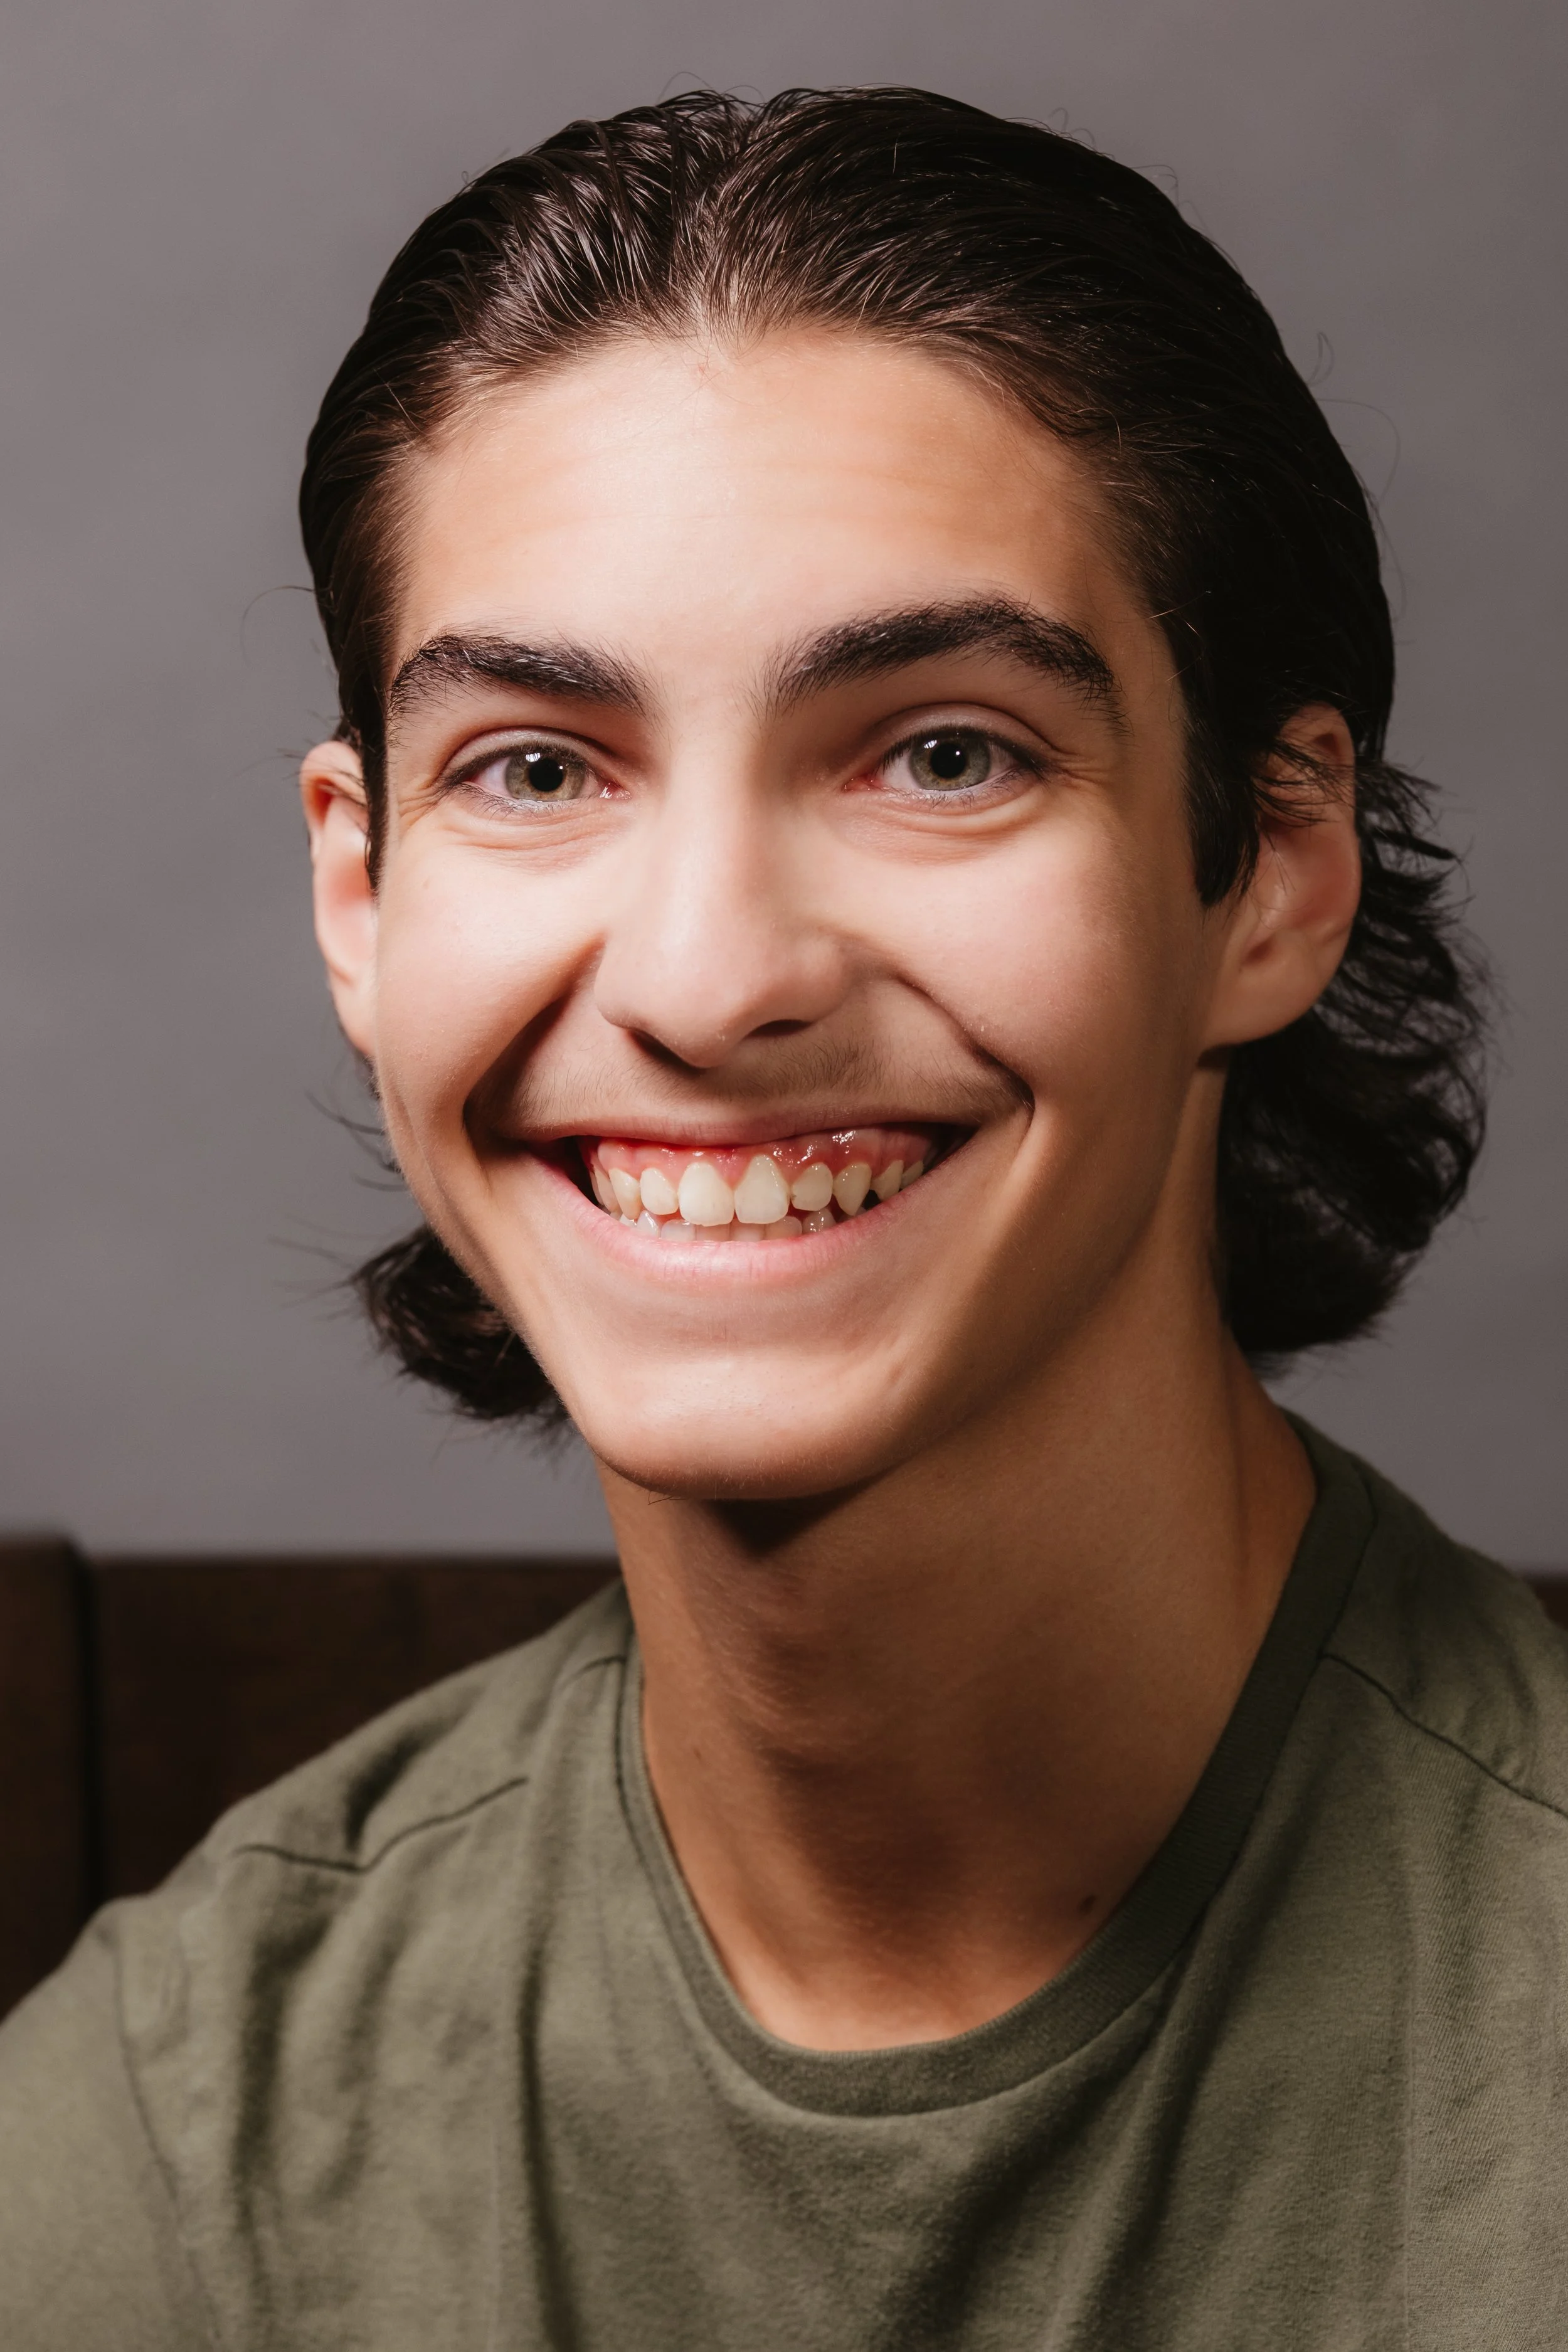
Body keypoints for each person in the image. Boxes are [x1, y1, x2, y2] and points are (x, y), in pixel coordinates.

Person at [0, 84, 1555, 2351]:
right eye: (533, 766)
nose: (714, 979)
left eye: (945, 750)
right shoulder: (171, 2150)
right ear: (359, 892)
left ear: (1270, 868)